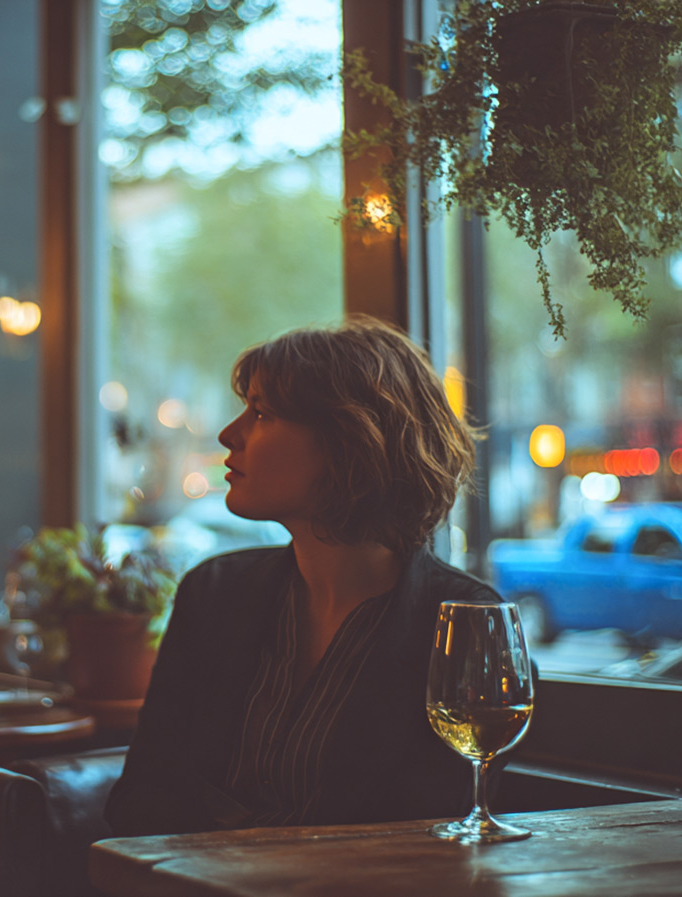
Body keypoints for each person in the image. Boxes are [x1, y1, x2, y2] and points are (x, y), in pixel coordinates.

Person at [105, 315, 503, 835]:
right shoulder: (214, 593)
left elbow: (435, 835)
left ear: (351, 443)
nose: (228, 435)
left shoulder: (464, 625)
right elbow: (144, 796)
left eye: (261, 413)